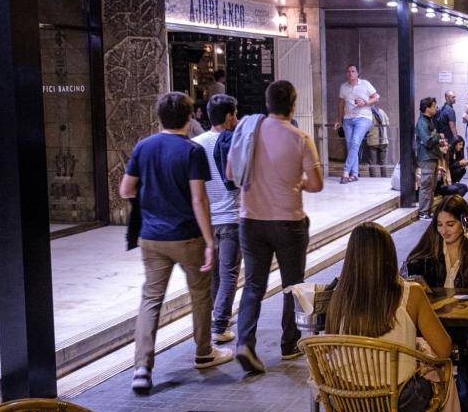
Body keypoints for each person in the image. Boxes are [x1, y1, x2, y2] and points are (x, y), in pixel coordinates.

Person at [119, 92, 233, 392]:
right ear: (190, 117)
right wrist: (210, 240)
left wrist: (152, 196)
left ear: (160, 117)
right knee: (200, 294)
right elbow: (199, 199)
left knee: (151, 300)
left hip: (151, 238)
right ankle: (204, 352)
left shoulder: (143, 146)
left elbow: (125, 190)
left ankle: (142, 368)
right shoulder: (191, 150)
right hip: (187, 237)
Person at [229, 80, 324, 374]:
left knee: (253, 284)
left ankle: (245, 342)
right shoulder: (300, 138)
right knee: (291, 284)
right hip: (288, 221)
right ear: (293, 105)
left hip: (250, 220)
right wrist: (298, 183)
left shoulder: (246, 133)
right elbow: (317, 184)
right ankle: (289, 344)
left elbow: (232, 174)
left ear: (267, 103)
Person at [325, 222, 452, 412]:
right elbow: (444, 349)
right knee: (436, 374)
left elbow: (329, 347)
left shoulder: (339, 297)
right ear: (389, 255)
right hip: (398, 401)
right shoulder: (412, 294)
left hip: (348, 400)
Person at [192, 94, 241, 344]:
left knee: (215, 274)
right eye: (236, 114)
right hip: (231, 218)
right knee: (229, 273)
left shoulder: (196, 144)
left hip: (206, 220)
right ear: (229, 116)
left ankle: (217, 316)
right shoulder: (235, 142)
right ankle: (220, 325)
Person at [406, 195, 468, 290]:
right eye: (439, 224)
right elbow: (410, 269)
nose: (443, 231)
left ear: (464, 223)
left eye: (450, 224)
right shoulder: (432, 243)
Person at [334, 64, 380, 183]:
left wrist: (365, 102)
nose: (351, 73)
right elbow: (340, 104)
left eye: (353, 71)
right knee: (351, 146)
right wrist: (339, 120)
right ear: (346, 73)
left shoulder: (365, 84)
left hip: (363, 117)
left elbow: (376, 98)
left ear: (357, 73)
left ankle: (345, 172)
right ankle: (354, 174)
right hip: (348, 119)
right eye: (348, 71)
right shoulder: (343, 87)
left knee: (355, 142)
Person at [415, 97, 442, 220]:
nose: (435, 108)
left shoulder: (429, 120)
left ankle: (428, 211)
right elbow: (428, 141)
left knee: (432, 185)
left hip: (432, 156)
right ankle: (423, 212)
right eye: (434, 106)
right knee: (426, 185)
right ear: (427, 108)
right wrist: (438, 136)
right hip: (426, 157)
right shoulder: (422, 122)